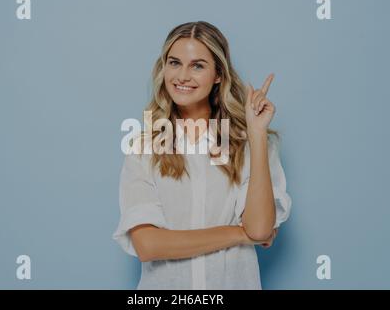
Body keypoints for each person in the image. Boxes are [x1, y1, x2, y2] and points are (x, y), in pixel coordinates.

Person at [112, 21, 292, 289]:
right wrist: (238, 234)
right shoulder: (143, 148)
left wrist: (256, 134)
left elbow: (259, 229)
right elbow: (148, 245)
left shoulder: (250, 142)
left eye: (197, 65)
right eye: (174, 63)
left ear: (218, 74)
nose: (182, 76)